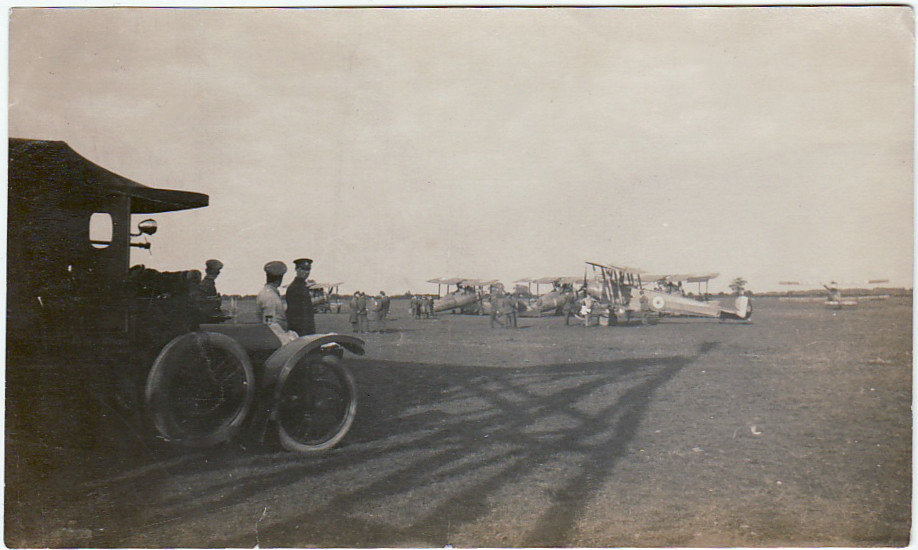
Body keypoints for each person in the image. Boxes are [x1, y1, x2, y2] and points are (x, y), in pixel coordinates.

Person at [285, 258, 316, 336]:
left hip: (307, 329)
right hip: (299, 330)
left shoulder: (303, 286)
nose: (306, 272)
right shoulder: (294, 287)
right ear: (296, 269)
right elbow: (294, 313)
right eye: (303, 269)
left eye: (308, 270)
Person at [256, 261, 287, 330]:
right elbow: (270, 325)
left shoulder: (266, 292)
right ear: (280, 279)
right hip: (275, 335)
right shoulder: (270, 296)